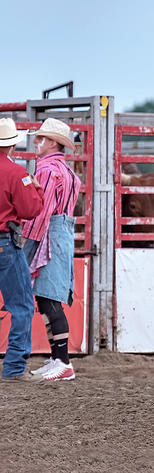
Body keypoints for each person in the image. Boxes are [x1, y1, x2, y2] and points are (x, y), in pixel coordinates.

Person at [22, 118, 81, 381]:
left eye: (41, 139)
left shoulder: (47, 170)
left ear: (53, 143)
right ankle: (58, 358)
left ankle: (63, 361)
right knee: (49, 296)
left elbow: (40, 212)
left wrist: (27, 244)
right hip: (63, 230)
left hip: (50, 233)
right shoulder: (67, 171)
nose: (36, 142)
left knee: (47, 297)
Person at [0, 118, 44, 381]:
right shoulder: (17, 174)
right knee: (22, 306)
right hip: (5, 243)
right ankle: (14, 368)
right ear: (13, 145)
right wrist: (36, 190)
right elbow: (31, 210)